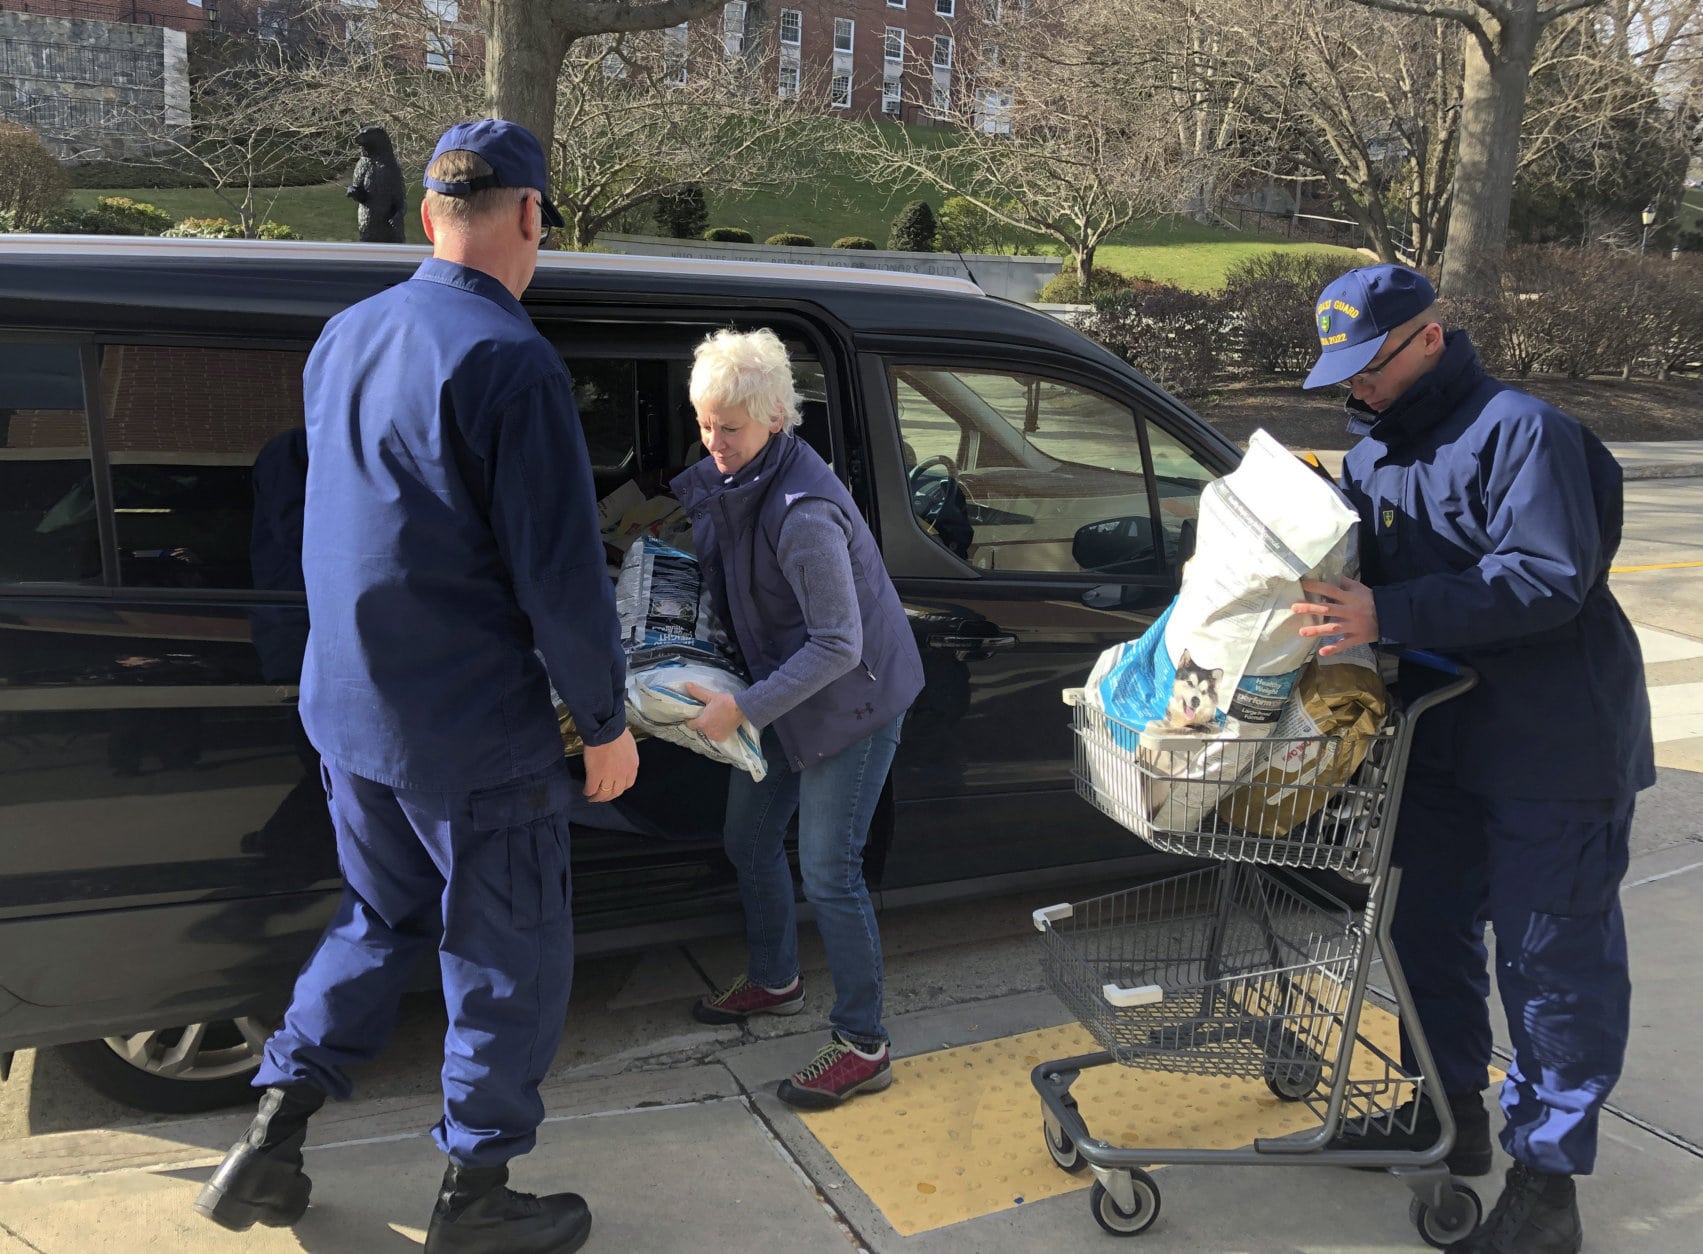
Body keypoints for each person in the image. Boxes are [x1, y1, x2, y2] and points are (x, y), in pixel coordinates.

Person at [194, 119, 637, 1254]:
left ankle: (269, 1138)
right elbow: (560, 577)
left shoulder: (346, 334)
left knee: (377, 918)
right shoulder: (511, 361)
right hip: (474, 735)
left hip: (352, 714)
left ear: (433, 214)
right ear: (529, 215)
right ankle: (476, 1197)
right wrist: (603, 722)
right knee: (507, 959)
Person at [1292, 264, 1654, 1253]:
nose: (1355, 386)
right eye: (1342, 372)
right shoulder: (1374, 450)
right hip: (1437, 737)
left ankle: (1545, 1186)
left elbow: (1545, 578)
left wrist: (1387, 610)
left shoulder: (1522, 432)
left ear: (1428, 338)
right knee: (1422, 930)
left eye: (1368, 366)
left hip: (1551, 745)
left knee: (1548, 960)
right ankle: (1445, 1112)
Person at [671, 328, 924, 1108]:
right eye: (703, 424)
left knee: (829, 871)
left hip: (851, 703)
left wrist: (740, 709)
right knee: (747, 840)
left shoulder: (803, 512)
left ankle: (863, 1043)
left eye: (729, 428)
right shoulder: (747, 478)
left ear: (775, 417)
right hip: (787, 689)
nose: (713, 442)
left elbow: (840, 645)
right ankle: (776, 978)